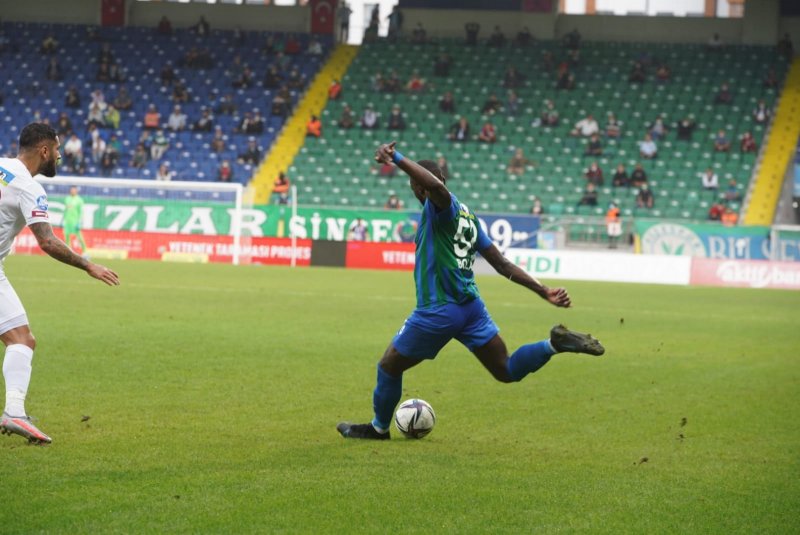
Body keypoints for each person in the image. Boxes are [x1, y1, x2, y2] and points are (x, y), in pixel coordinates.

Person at [336, 141, 604, 440]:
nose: (414, 190)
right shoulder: (468, 216)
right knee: (506, 369)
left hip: (438, 309)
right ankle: (554, 344)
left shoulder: (443, 208)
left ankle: (379, 428)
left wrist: (396, 158)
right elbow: (501, 264)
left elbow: (436, 190)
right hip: (471, 308)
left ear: (422, 185)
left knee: (389, 366)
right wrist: (543, 291)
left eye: (414, 184)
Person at [0, 123, 119, 444]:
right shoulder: (30, 188)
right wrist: (88, 265)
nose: (59, 155)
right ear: (43, 151)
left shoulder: (2, 166)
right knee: (21, 340)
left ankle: (14, 411)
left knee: (23, 340)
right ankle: (13, 412)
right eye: (56, 149)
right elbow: (47, 241)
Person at [62, 186, 87, 254]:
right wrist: (63, 220)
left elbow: (80, 212)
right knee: (66, 237)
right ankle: (68, 252)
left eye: (74, 190)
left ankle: (85, 252)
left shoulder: (79, 200)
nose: (72, 191)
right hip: (67, 221)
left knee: (80, 237)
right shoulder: (67, 199)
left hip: (75, 222)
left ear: (76, 191)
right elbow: (66, 210)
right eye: (71, 190)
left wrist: (79, 222)